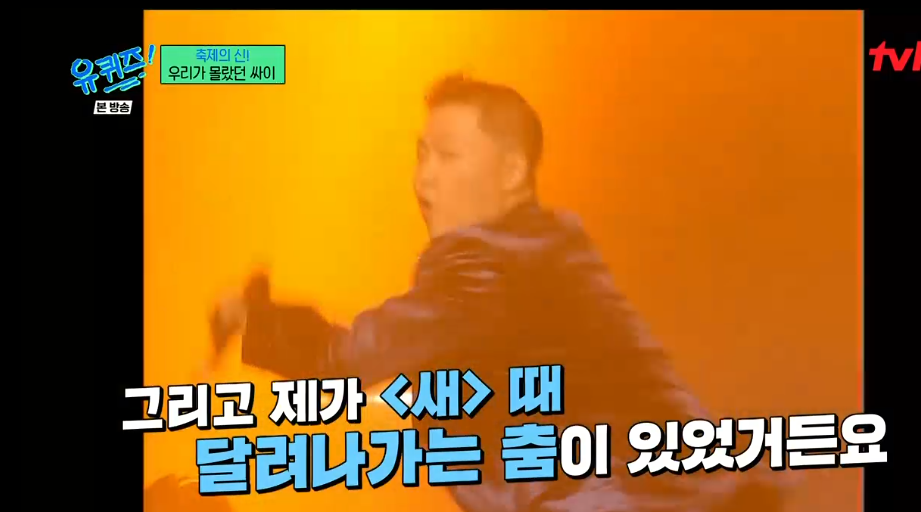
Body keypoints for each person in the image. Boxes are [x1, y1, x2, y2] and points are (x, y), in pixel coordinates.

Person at [210, 74, 792, 512]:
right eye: (420, 155)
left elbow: (357, 355)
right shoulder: (549, 247)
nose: (423, 178)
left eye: (448, 156)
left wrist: (253, 321)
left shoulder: (485, 258)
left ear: (512, 172)